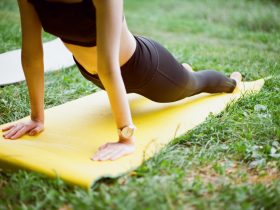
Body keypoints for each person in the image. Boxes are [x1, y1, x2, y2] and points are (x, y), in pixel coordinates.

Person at [2, 0, 242, 161]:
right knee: (177, 79)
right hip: (97, 75)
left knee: (193, 83)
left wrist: (125, 137)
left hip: (145, 69)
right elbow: (32, 56)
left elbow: (108, 64)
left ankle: (232, 82)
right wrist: (36, 118)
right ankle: (180, 70)